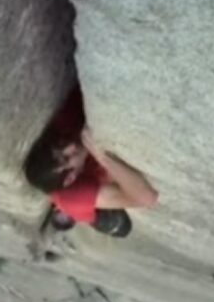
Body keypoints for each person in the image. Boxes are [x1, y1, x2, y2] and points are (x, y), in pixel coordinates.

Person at [24, 86, 158, 238]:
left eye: (60, 145)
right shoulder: (74, 196)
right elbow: (147, 198)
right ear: (71, 178)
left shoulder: (62, 128)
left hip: (80, 187)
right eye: (67, 158)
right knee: (123, 228)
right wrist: (102, 157)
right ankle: (89, 218)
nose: (71, 146)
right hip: (76, 203)